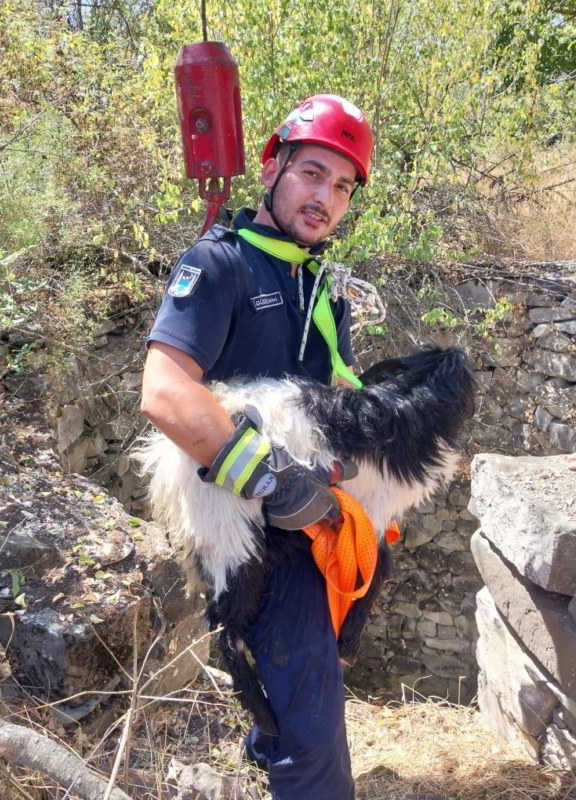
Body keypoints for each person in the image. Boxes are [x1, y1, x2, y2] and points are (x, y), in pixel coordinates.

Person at [141, 94, 374, 800]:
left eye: (340, 186)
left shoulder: (320, 289)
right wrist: (273, 483)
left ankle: (268, 741)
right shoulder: (221, 266)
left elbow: (335, 396)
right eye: (311, 172)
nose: (325, 198)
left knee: (315, 670)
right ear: (272, 167)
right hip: (252, 536)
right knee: (316, 744)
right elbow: (164, 390)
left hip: (315, 527)